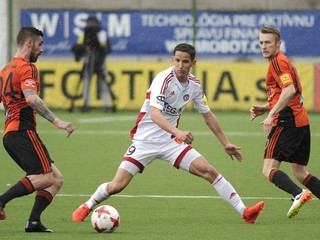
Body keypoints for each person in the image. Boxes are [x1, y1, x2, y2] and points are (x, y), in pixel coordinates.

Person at [72, 43, 264, 224]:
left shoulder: (195, 85)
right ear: (172, 60)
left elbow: (208, 115)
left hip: (170, 142)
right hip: (144, 141)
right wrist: (178, 132)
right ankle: (87, 205)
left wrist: (225, 143)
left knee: (209, 171)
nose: (180, 65)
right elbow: (155, 115)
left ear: (193, 63)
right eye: (177, 60)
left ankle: (245, 212)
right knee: (117, 186)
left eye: (185, 61)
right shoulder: (163, 80)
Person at [0, 27, 75, 232]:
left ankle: (33, 222)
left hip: (10, 135)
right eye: (40, 44)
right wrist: (57, 121)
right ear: (29, 43)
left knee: (56, 179)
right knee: (46, 177)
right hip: (22, 131)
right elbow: (31, 98)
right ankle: (1, 201)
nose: (42, 49)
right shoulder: (27, 67)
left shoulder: (6, 70)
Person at [250, 26, 320, 218]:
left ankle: (298, 194)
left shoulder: (277, 62)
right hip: (301, 121)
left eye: (268, 43)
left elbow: (289, 90)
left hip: (287, 122)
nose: (263, 46)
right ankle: (302, 191)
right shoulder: (280, 61)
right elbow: (288, 92)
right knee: (299, 171)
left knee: (268, 169)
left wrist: (271, 115)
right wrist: (267, 107)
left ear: (278, 44)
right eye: (261, 43)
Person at [71, 16, 115, 113]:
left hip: (100, 62)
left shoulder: (102, 34)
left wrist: (99, 47)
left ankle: (106, 105)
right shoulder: (85, 35)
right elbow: (78, 47)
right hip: (89, 61)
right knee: (87, 84)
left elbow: (107, 49)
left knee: (103, 84)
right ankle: (87, 104)